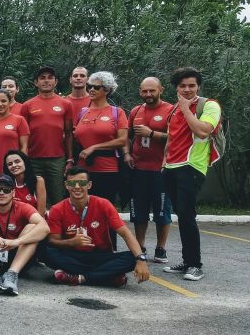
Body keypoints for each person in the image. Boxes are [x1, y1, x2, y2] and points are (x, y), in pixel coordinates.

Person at [162, 67, 222, 281]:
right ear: (176, 87)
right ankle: (187, 261)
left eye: (192, 86)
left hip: (192, 167)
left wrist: (187, 109)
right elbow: (171, 138)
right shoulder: (173, 109)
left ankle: (195, 265)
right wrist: (164, 163)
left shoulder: (209, 105)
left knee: (187, 216)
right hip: (171, 168)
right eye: (182, 86)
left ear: (198, 86)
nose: (187, 90)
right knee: (182, 216)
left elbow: (203, 130)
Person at [45, 167, 150, 287]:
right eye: (72, 183)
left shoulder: (103, 204)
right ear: (66, 185)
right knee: (46, 252)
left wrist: (141, 259)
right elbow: (52, 240)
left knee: (133, 257)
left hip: (100, 255)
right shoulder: (57, 209)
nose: (77, 186)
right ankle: (106, 276)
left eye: (82, 183)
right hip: (72, 255)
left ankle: (80, 278)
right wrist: (72, 242)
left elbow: (125, 233)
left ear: (89, 185)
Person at [124, 77, 174, 263]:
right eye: (145, 91)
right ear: (140, 91)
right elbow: (127, 136)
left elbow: (175, 138)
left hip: (161, 169)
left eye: (152, 91)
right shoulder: (135, 111)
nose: (148, 95)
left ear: (161, 89)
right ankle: (140, 246)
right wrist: (127, 153)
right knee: (139, 211)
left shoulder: (170, 110)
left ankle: (161, 248)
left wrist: (151, 133)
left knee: (162, 211)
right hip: (138, 169)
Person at [73, 71, 128, 207]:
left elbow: (122, 140)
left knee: (104, 208)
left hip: (107, 169)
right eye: (90, 86)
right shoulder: (83, 112)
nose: (91, 89)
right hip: (83, 168)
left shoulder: (117, 112)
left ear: (107, 90)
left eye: (96, 87)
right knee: (83, 207)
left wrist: (94, 147)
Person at [21, 66, 74, 206]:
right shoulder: (27, 105)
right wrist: (23, 159)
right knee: (34, 198)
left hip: (57, 159)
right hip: (33, 159)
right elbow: (22, 136)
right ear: (36, 82)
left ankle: (58, 227)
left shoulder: (66, 104)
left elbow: (69, 133)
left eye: (50, 78)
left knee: (58, 196)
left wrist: (69, 159)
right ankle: (38, 226)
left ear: (56, 82)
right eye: (42, 78)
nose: (46, 81)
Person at [4, 150, 47, 216]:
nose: (14, 165)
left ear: (25, 162)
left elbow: (41, 213)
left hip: (36, 222)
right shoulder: (7, 183)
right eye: (10, 164)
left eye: (17, 161)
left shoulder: (38, 181)